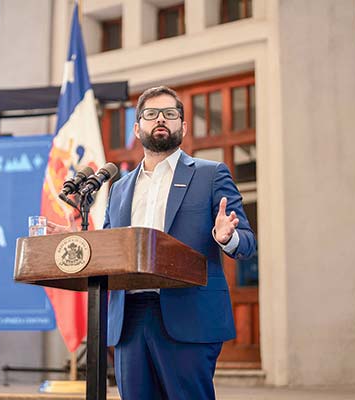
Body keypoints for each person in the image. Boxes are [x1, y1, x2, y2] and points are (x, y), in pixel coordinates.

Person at [103, 86, 256, 399]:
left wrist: (227, 237)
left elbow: (247, 243)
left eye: (170, 114)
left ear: (183, 127)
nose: (161, 119)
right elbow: (110, 246)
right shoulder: (118, 188)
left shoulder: (211, 174)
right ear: (137, 128)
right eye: (150, 114)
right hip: (129, 319)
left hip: (188, 315)